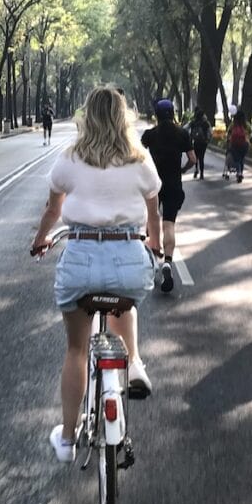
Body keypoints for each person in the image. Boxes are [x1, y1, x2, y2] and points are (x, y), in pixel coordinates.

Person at [30, 86, 162, 463]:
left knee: (76, 349)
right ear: (124, 117)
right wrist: (153, 244)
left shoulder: (70, 157)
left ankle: (68, 439)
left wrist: (40, 240)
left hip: (81, 260)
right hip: (127, 260)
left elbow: (53, 211)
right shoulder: (140, 159)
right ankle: (134, 362)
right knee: (125, 302)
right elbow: (153, 213)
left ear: (86, 116)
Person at [141, 99, 195, 293]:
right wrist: (182, 169)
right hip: (173, 184)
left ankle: (152, 260)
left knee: (150, 223)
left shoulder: (149, 135)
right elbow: (192, 159)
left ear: (156, 115)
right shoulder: (182, 134)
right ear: (173, 113)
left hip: (153, 185)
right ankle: (168, 263)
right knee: (169, 224)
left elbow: (138, 156)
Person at [187, 107, 211, 179]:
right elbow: (210, 132)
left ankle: (196, 170)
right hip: (203, 143)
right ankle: (202, 174)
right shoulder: (206, 123)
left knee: (196, 157)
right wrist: (208, 139)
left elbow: (185, 128)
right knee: (201, 158)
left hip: (195, 142)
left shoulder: (193, 122)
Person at [226, 110, 250, 183]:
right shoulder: (246, 125)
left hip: (234, 144)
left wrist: (228, 141)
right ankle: (240, 173)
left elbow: (228, 133)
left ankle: (239, 172)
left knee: (236, 159)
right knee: (241, 159)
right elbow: (250, 132)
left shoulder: (233, 124)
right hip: (244, 144)